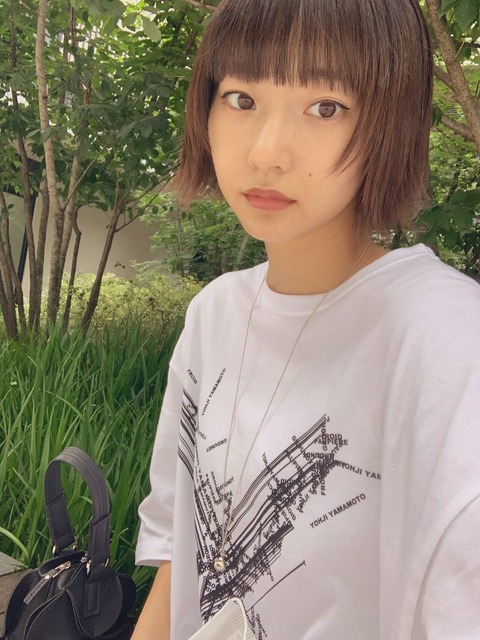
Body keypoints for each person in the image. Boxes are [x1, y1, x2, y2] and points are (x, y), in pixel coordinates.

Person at [133, 0, 480, 638]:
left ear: (390, 125)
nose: (267, 152)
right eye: (241, 99)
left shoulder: (447, 337)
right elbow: (181, 557)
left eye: (325, 107)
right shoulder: (214, 315)